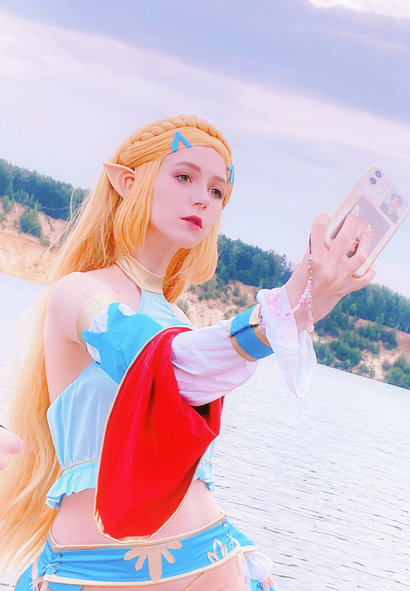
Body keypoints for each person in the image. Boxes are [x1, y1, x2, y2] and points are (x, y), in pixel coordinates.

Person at [0, 115, 374, 591]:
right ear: (126, 182)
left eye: (218, 191)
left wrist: (307, 298)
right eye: (184, 177)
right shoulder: (78, 294)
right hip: (92, 568)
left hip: (211, 555)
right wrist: (292, 303)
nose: (203, 198)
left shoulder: (179, 320)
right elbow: (161, 366)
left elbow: (187, 371)